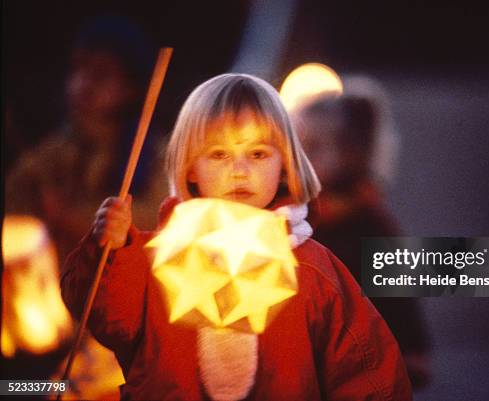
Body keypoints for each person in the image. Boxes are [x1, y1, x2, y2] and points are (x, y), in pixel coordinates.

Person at [60, 73, 412, 400]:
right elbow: (104, 314)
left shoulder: (315, 268)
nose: (239, 170)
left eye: (257, 153)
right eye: (218, 154)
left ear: (285, 164)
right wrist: (110, 250)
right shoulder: (151, 259)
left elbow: (366, 371)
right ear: (190, 166)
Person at [292, 88, 431, 388]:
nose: (301, 159)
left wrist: (410, 347)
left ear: (351, 152)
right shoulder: (295, 214)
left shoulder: (370, 225)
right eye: (297, 147)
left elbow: (398, 293)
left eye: (314, 148)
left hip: (362, 359)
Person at [6, 16, 167, 264]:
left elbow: (158, 225)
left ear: (129, 88)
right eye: (78, 69)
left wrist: (68, 215)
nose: (83, 83)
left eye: (101, 74)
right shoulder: (50, 155)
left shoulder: (155, 156)